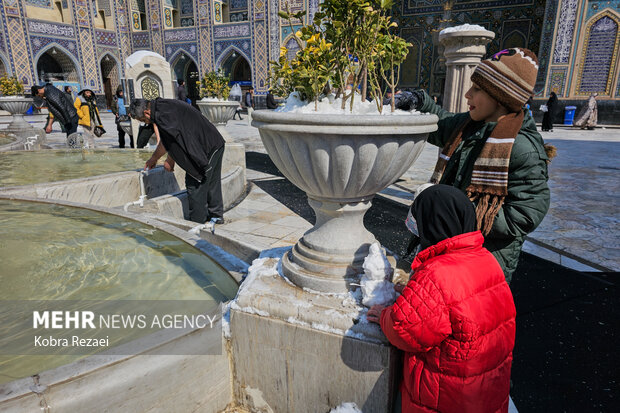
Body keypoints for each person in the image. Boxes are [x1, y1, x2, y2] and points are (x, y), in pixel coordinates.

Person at [399, 48, 552, 282]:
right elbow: (441, 120)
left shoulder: (522, 149)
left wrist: (464, 215)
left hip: (483, 260)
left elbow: (524, 214)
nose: (467, 95)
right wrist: (419, 101)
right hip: (451, 247)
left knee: (463, 316)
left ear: (501, 97)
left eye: (477, 89)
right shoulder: (470, 125)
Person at [367, 184, 516, 413]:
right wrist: (412, 294)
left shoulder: (435, 273)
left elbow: (404, 330)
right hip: (485, 388)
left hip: (447, 395)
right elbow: (458, 303)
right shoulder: (485, 259)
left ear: (432, 223)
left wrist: (385, 315)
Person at [129, 98, 226, 224]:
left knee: (195, 184)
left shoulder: (162, 114)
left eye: (143, 120)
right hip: (214, 142)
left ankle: (197, 225)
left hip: (206, 147)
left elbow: (175, 140)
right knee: (212, 183)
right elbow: (167, 139)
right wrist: (154, 158)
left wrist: (170, 160)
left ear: (147, 112)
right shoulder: (161, 107)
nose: (146, 123)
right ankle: (216, 216)